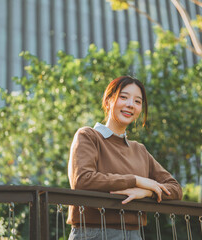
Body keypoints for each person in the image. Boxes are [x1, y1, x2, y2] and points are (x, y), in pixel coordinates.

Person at [67, 76, 182, 240]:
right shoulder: (88, 136)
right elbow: (82, 180)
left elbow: (175, 188)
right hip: (92, 233)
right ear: (108, 101)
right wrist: (136, 180)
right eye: (123, 97)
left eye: (137, 101)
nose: (130, 105)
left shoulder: (139, 150)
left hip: (134, 234)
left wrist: (145, 192)